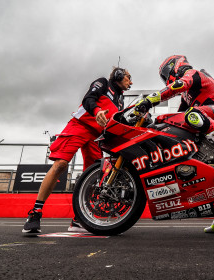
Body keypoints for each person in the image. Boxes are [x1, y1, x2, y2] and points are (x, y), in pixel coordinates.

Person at [134, 55, 214, 233]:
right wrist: (152, 123)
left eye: (166, 74)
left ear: (173, 67)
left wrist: (148, 101)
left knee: (192, 114)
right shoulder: (187, 97)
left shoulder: (193, 74)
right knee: (189, 122)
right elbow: (175, 120)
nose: (167, 78)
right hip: (213, 117)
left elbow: (176, 86)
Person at [22, 67, 132, 235]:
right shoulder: (103, 83)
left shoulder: (120, 100)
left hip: (96, 138)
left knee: (94, 178)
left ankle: (78, 219)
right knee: (61, 164)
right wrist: (96, 111)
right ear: (118, 75)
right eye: (128, 77)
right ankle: (35, 214)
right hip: (79, 126)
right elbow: (88, 99)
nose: (130, 82)